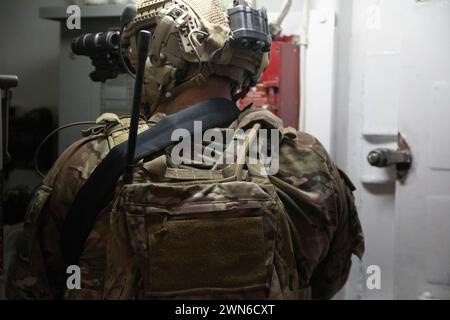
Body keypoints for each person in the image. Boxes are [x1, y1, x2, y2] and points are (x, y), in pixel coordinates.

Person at [6, 0, 364, 300]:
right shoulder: (307, 159)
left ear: (159, 59)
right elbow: (328, 281)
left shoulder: (91, 160)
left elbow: (32, 286)